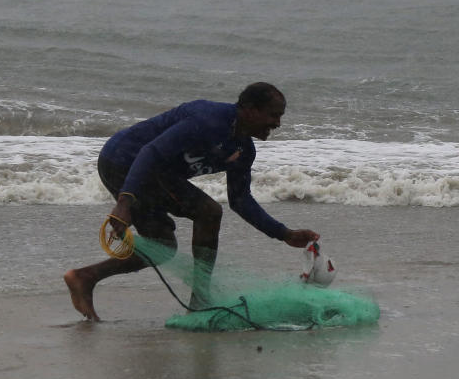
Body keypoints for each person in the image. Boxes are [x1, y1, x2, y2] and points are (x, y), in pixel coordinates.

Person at [64, 82, 320, 321]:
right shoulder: (207, 120)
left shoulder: (243, 150)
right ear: (251, 110)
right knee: (208, 211)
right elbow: (150, 152)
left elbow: (241, 200)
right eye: (273, 115)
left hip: (155, 172)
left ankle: (85, 277)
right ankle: (200, 298)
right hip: (124, 159)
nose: (277, 123)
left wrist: (283, 233)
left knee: (162, 245)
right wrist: (125, 202)